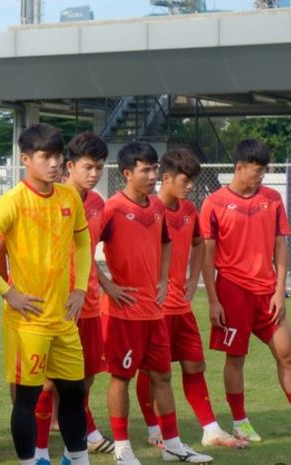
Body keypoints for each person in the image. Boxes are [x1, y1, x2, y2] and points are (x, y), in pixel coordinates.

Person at [0, 123, 92, 465]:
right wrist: (9, 294)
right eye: (45, 156)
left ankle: (78, 459)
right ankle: (28, 462)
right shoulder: (12, 201)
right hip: (28, 321)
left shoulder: (69, 198)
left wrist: (80, 288)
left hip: (63, 319)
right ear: (25, 159)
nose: (54, 163)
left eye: (58, 156)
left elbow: (83, 241)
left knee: (74, 393)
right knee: (29, 398)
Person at [98, 141, 212, 465]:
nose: (152, 175)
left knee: (162, 376)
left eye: (153, 169)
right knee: (121, 378)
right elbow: (80, 246)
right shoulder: (112, 208)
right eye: (145, 169)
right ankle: (122, 448)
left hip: (153, 311)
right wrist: (108, 285)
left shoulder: (158, 208)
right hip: (123, 313)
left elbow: (165, 243)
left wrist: (163, 279)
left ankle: (173, 444)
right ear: (126, 173)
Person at [135, 148, 247, 450]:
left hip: (181, 307)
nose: (191, 186)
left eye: (193, 181)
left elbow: (199, 244)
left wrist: (193, 277)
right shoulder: (149, 210)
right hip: (154, 308)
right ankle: (154, 429)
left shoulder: (188, 211)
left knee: (195, 366)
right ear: (167, 177)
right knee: (153, 371)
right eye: (186, 180)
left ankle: (210, 429)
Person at [200, 139, 291, 442]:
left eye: (264, 173)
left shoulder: (273, 198)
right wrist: (213, 301)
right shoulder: (214, 203)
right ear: (239, 168)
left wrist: (280, 291)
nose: (260, 178)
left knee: (286, 354)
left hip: (267, 292)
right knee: (236, 358)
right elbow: (208, 257)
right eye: (256, 172)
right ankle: (240, 421)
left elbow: (280, 246)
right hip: (233, 290)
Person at [60, 132, 114, 455]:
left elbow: (92, 251)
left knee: (89, 374)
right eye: (88, 167)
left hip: (90, 301)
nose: (94, 174)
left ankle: (79, 425)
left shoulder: (98, 203)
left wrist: (107, 284)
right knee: (53, 379)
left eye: (99, 168)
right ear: (70, 166)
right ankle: (82, 433)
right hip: (59, 303)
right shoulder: (53, 199)